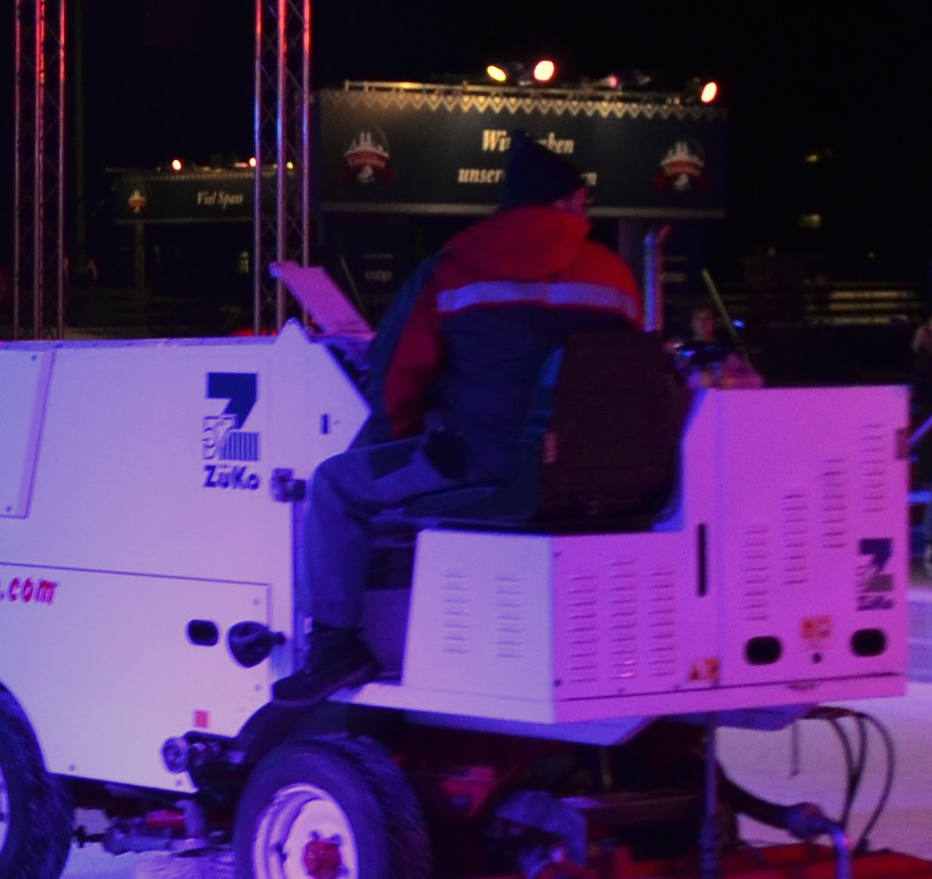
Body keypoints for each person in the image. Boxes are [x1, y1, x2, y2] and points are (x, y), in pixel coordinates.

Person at [257, 140, 649, 712]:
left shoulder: (454, 267)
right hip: (594, 474)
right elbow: (625, 374)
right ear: (564, 202)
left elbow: (396, 378)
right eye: (582, 202)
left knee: (337, 484)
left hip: (485, 466)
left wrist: (394, 449)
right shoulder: (615, 277)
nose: (586, 213)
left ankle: (336, 644)